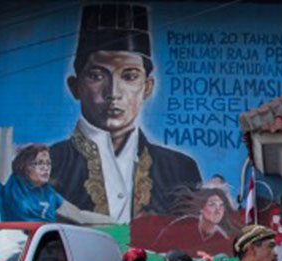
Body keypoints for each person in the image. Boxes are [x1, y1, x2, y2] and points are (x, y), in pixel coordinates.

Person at [49, 4, 202, 224]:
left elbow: (192, 236)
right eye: (96, 76)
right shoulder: (52, 162)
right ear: (75, 86)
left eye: (129, 76)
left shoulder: (180, 168)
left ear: (147, 87)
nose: (113, 93)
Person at [0, 144, 113, 225]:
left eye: (48, 163)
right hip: (16, 247)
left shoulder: (49, 194)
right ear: (26, 166)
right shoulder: (10, 187)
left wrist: (112, 220)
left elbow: (79, 215)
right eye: (40, 163)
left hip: (45, 245)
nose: (46, 168)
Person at [153, 188, 238, 256]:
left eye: (221, 206)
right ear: (202, 208)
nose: (218, 210)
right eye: (212, 205)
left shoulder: (221, 238)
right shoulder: (184, 224)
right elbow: (158, 250)